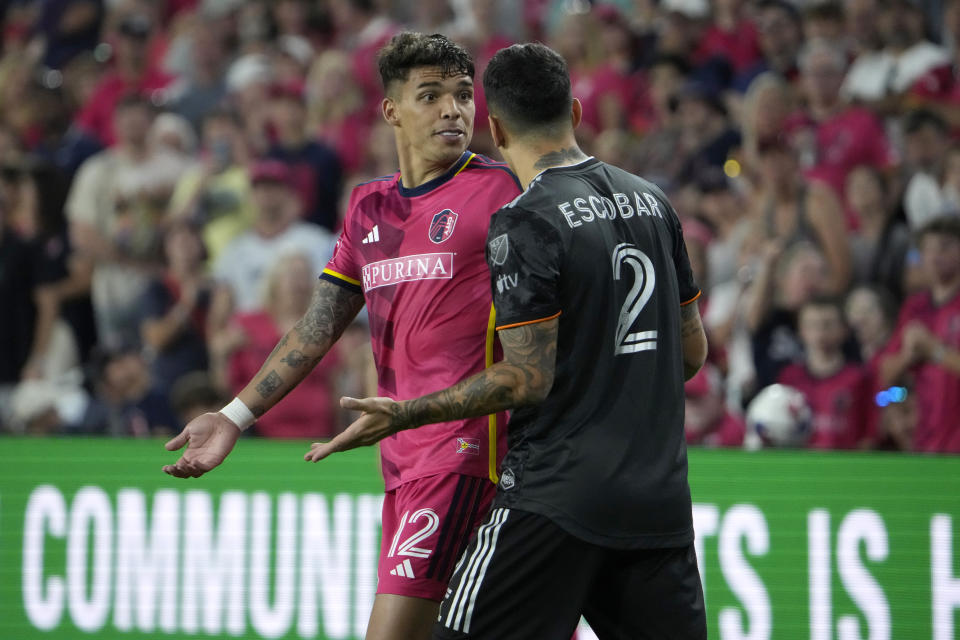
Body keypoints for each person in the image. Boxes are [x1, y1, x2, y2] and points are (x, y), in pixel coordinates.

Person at [306, 42, 709, 640]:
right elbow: (691, 354)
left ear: (493, 127)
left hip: (556, 497)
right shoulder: (652, 201)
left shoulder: (526, 215)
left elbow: (526, 378)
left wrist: (406, 414)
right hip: (659, 502)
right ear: (574, 112)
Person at [162, 33, 522, 640]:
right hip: (401, 464)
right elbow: (317, 327)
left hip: (467, 456)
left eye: (463, 96)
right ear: (391, 112)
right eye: (430, 96)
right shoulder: (367, 208)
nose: (453, 110)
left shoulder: (500, 191)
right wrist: (233, 416)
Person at [878, 216, 960, 453]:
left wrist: (933, 350)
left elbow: (931, 349)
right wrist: (907, 356)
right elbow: (886, 373)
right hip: (925, 436)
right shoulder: (915, 307)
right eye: (927, 249)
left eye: (945, 246)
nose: (935, 256)